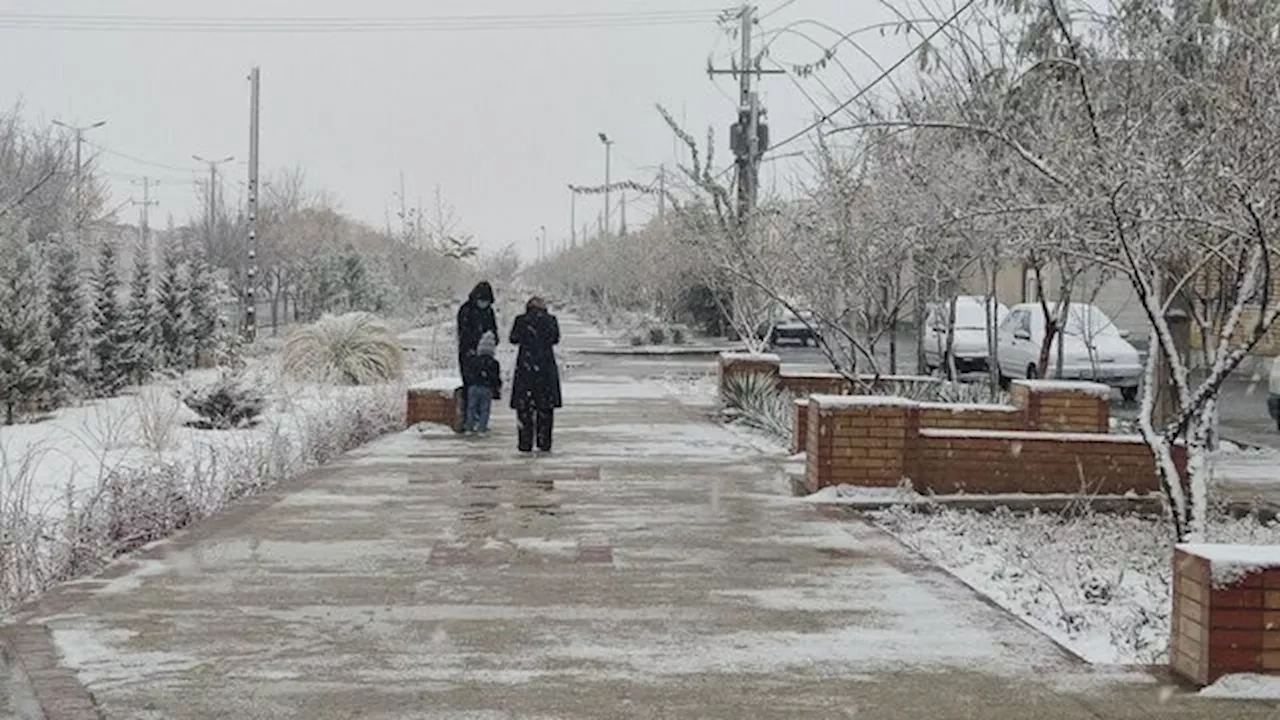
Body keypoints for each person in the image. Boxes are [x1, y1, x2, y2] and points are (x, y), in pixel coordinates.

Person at [509, 296, 562, 453]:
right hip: (545, 369)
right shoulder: (550, 320)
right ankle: (544, 442)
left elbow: (513, 338)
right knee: (545, 409)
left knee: (524, 409)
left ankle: (525, 443)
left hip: (526, 369)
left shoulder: (521, 320)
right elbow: (555, 339)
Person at [462, 331, 501, 435]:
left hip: (473, 387)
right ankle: (482, 428)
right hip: (486, 388)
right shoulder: (494, 363)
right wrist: (497, 388)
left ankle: (469, 427)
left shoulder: (474, 360)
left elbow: (468, 373)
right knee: (485, 409)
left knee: (471, 407)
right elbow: (495, 377)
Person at [456, 281, 498, 376]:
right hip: (468, 351)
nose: (484, 303)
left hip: (486, 352)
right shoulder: (466, 310)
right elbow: (463, 332)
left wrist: (492, 339)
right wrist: (477, 338)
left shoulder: (489, 311)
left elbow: (493, 329)